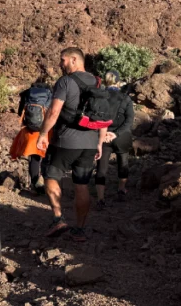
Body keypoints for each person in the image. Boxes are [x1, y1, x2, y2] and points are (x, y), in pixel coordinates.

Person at [36, 47, 110, 243]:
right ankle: (80, 230)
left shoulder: (65, 81)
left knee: (50, 174)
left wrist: (43, 133)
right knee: (82, 185)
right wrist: (100, 143)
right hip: (90, 142)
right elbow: (102, 116)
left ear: (75, 60)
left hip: (65, 141)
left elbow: (53, 112)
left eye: (63, 60)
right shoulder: (98, 82)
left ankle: (58, 218)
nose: (60, 64)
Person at [95, 70, 134, 209]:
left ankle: (100, 199)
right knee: (123, 163)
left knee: (101, 168)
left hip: (103, 135)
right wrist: (116, 134)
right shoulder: (125, 98)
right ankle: (121, 190)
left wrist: (103, 134)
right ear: (118, 82)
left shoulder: (100, 97)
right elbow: (129, 120)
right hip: (121, 136)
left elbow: (95, 117)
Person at [9, 77, 52, 194]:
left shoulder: (27, 93)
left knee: (34, 157)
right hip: (46, 129)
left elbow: (20, 112)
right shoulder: (49, 93)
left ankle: (35, 184)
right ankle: (49, 184)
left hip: (30, 131)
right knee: (47, 156)